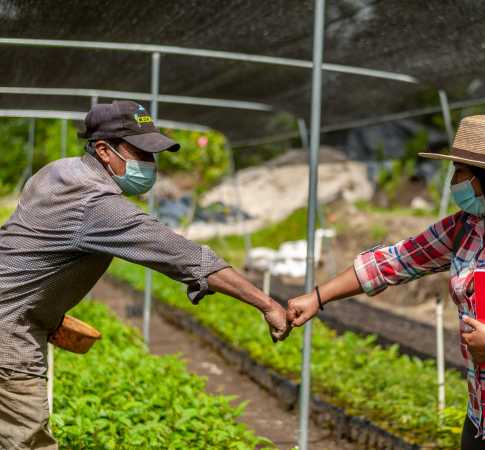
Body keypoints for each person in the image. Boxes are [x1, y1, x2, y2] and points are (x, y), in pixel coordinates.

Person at [287, 115, 485, 449]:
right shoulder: (468, 226)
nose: (455, 182)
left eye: (461, 171)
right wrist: (317, 297)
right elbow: (394, 261)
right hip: (484, 418)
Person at [0, 100, 290, 450]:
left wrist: (46, 310)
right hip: (10, 337)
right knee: (27, 443)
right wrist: (265, 303)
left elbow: (25, 251)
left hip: (18, 317)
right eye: (142, 153)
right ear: (104, 151)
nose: (151, 165)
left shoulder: (57, 172)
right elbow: (182, 255)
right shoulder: (97, 204)